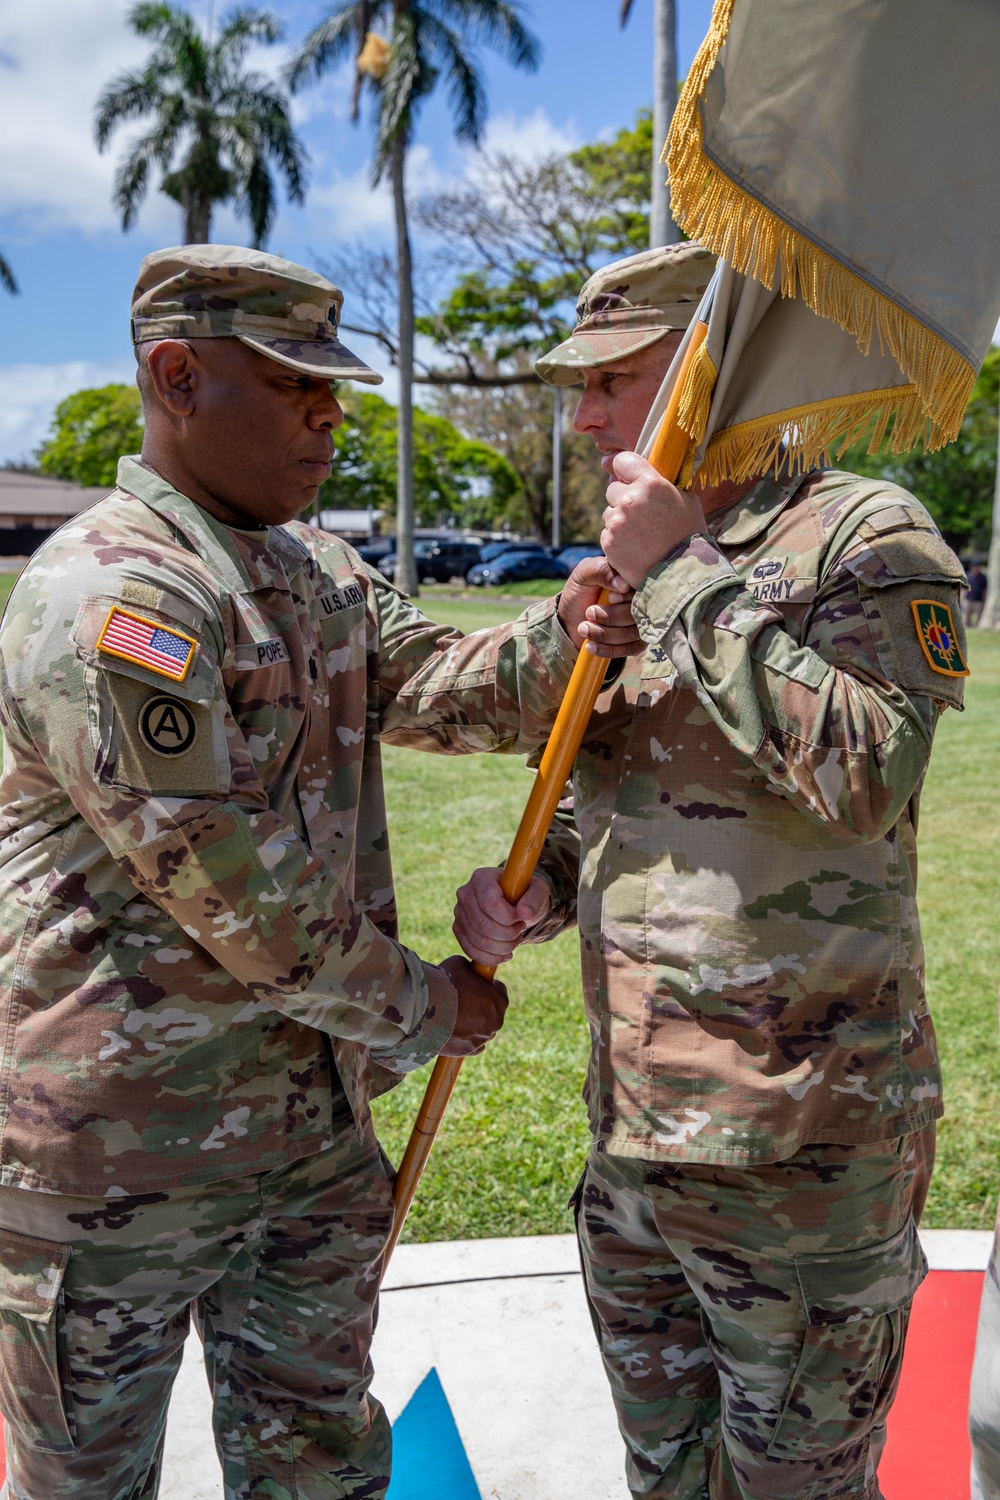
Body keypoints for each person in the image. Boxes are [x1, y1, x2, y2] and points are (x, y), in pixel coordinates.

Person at [0, 244, 642, 1500]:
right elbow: (238, 896)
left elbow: (448, 689)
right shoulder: (116, 596)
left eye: (333, 386)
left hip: (304, 1148)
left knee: (320, 1470)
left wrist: (561, 631)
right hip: (115, 1168)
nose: (330, 414)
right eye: (293, 383)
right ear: (175, 378)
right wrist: (429, 1005)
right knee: (85, 1485)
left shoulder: (317, 574)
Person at [453, 241, 970, 1500]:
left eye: (612, 381)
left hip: (799, 1155)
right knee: (664, 1480)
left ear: (707, 376)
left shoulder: (866, 533)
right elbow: (632, 803)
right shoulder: (626, 570)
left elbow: (863, 776)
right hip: (633, 1144)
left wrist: (684, 573)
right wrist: (539, 881)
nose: (582, 415)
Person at [963, 561, 988, 626]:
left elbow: (985, 589)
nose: (975, 568)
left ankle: (977, 626)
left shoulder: (982, 577)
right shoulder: (967, 575)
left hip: (978, 600)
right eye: (974, 566)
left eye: (976, 566)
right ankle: (968, 626)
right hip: (968, 599)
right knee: (967, 615)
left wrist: (983, 600)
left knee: (978, 615)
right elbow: (964, 587)